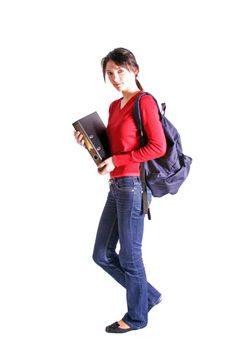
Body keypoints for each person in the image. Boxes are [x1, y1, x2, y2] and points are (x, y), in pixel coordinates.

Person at [74, 48, 167, 333]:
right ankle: (147, 296)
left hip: (134, 186)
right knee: (102, 254)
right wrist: (89, 144)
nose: (115, 78)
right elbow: (115, 148)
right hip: (116, 185)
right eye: (110, 73)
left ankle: (137, 317)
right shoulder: (115, 106)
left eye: (121, 72)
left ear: (134, 70)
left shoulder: (145, 102)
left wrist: (119, 160)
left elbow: (158, 146)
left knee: (129, 256)